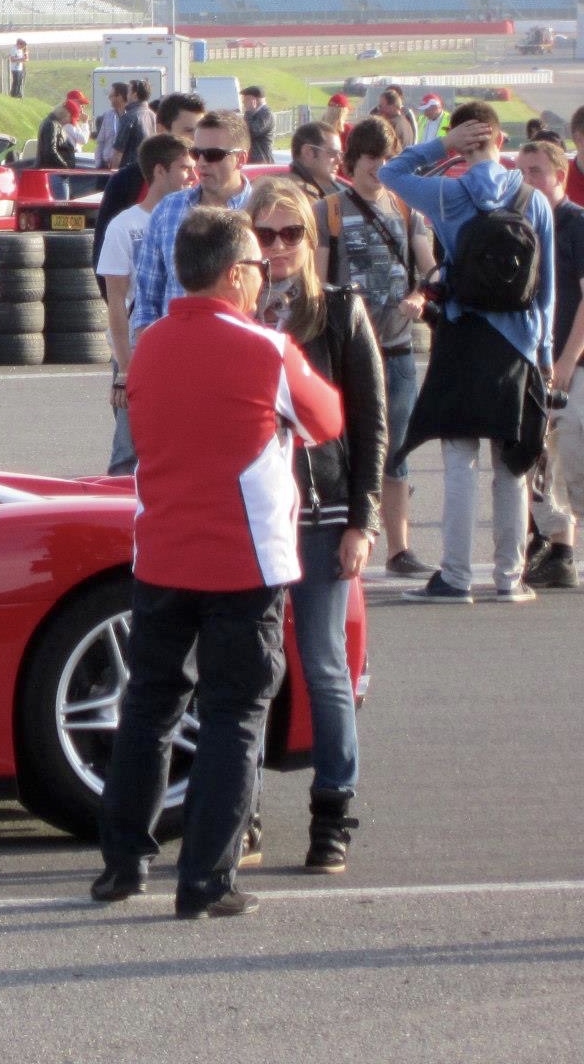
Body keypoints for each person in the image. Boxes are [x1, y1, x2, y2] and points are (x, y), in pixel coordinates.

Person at [93, 206, 343, 920]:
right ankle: (206, 878)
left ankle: (123, 863)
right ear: (235, 275)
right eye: (257, 267)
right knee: (235, 716)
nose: (264, 277)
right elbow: (327, 419)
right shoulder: (265, 349)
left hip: (163, 551)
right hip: (244, 557)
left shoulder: (148, 346)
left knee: (148, 707)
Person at [248, 176, 385, 875]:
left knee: (324, 664)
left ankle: (333, 814)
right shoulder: (233, 315)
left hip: (323, 512)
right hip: (247, 516)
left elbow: (368, 423)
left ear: (311, 239)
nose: (276, 247)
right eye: (264, 234)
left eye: (289, 234)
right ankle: (243, 813)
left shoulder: (338, 312)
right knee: (247, 668)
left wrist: (363, 518)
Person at [384, 102, 557, 604]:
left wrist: (443, 146)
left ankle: (456, 577)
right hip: (519, 343)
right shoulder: (533, 199)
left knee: (459, 458)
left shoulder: (447, 193)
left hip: (463, 334)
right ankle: (509, 578)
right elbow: (545, 290)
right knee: (512, 463)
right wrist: (543, 351)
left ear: (463, 143)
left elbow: (394, 170)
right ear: (501, 143)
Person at [321, 118, 436, 579]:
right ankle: (344, 538)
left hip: (398, 347)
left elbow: (428, 270)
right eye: (370, 156)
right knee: (347, 446)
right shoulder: (328, 209)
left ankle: (399, 549)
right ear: (353, 160)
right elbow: (320, 281)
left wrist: (419, 297)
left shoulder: (407, 209)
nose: (378, 165)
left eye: (386, 157)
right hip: (348, 353)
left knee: (397, 451)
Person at [97, 134, 197, 475]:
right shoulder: (124, 225)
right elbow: (115, 302)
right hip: (137, 353)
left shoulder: (191, 221)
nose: (192, 175)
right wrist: (125, 368)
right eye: (184, 168)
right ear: (159, 171)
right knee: (129, 450)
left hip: (181, 351)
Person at [517, 139, 584, 589]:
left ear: (560, 175)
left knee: (574, 449)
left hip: (571, 361)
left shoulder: (575, 223)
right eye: (521, 172)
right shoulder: (520, 224)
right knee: (540, 458)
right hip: (531, 359)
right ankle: (558, 547)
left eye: (537, 171)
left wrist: (565, 358)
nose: (528, 180)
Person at [131, 109, 254, 330]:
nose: (202, 163)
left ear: (241, 159)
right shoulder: (167, 211)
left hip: (243, 352)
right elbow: (146, 299)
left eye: (214, 154)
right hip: (177, 351)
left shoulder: (261, 210)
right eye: (197, 153)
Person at [91, 91, 206, 280]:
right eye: (188, 131)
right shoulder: (127, 181)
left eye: (199, 132)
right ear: (161, 129)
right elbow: (104, 251)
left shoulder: (206, 177)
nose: (196, 139)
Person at [286, 120, 342, 200]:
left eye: (340, 154)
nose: (339, 161)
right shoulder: (291, 197)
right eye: (332, 153)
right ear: (308, 153)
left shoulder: (338, 189)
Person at [114, 79, 157, 171]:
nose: (126, 94)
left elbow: (118, 151)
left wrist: (112, 175)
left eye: (128, 91)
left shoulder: (129, 117)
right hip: (148, 169)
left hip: (130, 171)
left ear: (135, 94)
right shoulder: (153, 116)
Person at [94, 84, 128, 171]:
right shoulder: (108, 115)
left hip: (123, 168)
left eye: (111, 95)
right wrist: (98, 164)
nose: (109, 97)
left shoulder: (131, 117)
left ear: (120, 97)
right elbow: (101, 141)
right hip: (104, 167)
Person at [374, 87, 416, 153]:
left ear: (392, 106)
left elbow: (385, 151)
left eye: (381, 106)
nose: (379, 110)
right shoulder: (405, 123)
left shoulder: (392, 124)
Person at [241, 85, 275, 164]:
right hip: (252, 160)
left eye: (246, 99)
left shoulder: (266, 113)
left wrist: (249, 111)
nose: (243, 102)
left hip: (262, 161)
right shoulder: (253, 114)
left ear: (253, 100)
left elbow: (252, 131)